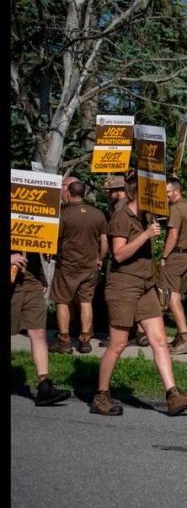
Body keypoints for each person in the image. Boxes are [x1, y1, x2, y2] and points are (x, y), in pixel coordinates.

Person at [91, 175, 187, 416]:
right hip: (123, 286)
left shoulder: (147, 217)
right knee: (118, 343)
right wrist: (144, 235)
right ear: (137, 194)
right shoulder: (122, 218)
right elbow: (119, 255)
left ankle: (173, 395)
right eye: (150, 193)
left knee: (160, 340)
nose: (156, 197)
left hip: (145, 285)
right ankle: (101, 396)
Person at [50, 180, 108, 355]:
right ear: (83, 193)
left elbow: (54, 240)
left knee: (62, 301)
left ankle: (65, 341)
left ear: (68, 194)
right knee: (86, 302)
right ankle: (85, 341)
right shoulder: (98, 214)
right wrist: (100, 258)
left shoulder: (63, 214)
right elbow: (104, 240)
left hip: (67, 266)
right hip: (89, 266)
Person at [11, 252, 72, 406]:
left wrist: (41, 274)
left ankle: (44, 385)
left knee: (38, 333)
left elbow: (34, 244)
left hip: (31, 283)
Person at [100, 174, 149, 348]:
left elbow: (118, 251)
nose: (107, 193)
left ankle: (121, 335)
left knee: (123, 298)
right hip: (138, 268)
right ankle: (139, 333)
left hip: (126, 267)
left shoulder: (122, 210)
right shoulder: (120, 207)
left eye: (111, 190)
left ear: (122, 190)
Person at [160, 178, 187, 355]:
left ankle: (185, 337)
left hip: (175, 257)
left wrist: (164, 256)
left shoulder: (175, 209)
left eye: (167, 193)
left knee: (171, 297)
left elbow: (173, 236)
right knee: (177, 297)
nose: (165, 196)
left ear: (175, 191)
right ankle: (180, 337)